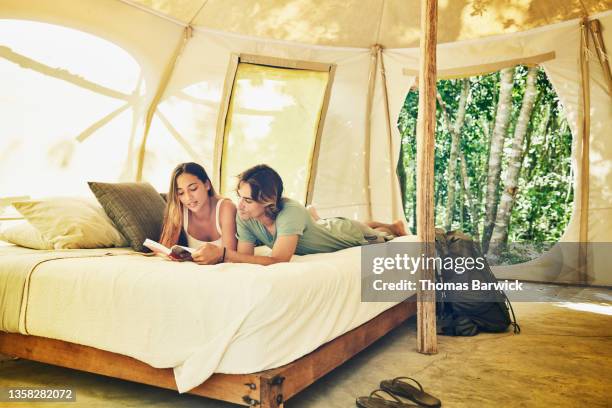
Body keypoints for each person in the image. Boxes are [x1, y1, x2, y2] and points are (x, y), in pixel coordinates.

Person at [193, 164, 407, 266]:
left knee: (375, 235)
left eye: (248, 200)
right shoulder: (245, 216)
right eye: (239, 197)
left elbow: (278, 259)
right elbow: (245, 257)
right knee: (326, 223)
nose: (239, 206)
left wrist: (223, 254)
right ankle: (391, 224)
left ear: (268, 201)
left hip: (346, 234)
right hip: (322, 227)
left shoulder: (290, 211)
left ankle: (393, 228)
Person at [159, 162, 237, 262]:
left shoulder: (226, 208)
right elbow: (165, 251)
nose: (188, 198)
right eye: (181, 193)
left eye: (193, 189)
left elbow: (229, 258)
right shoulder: (179, 210)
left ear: (207, 185)